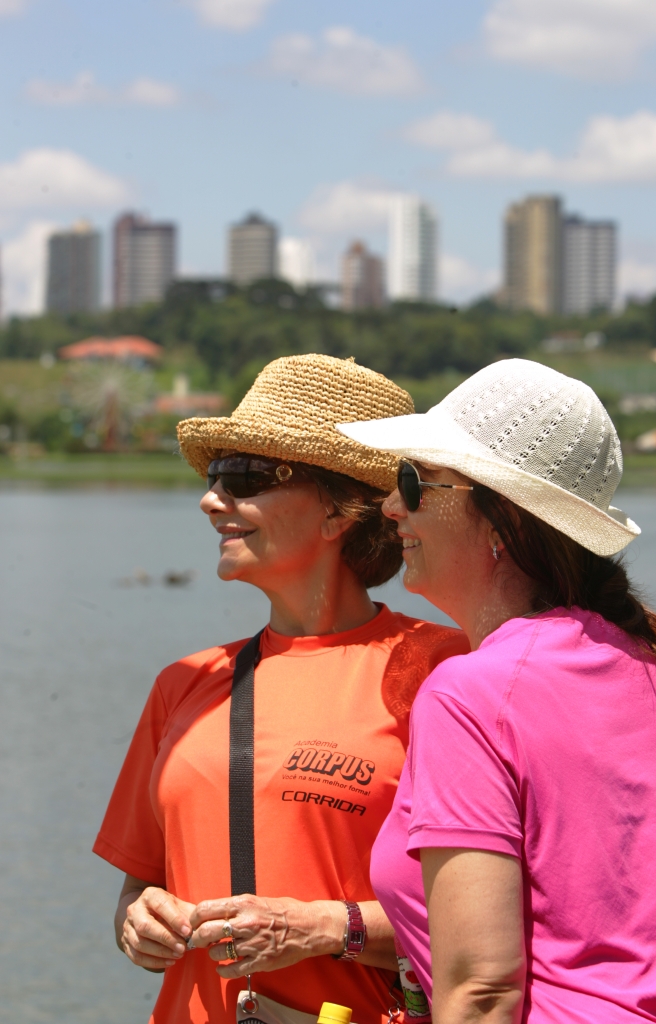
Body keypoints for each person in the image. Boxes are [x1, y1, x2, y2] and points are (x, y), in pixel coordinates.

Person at [93, 354, 469, 1024]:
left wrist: (327, 928)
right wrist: (138, 922)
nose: (212, 499)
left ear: (341, 513)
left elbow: (499, 927)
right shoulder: (184, 684)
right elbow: (138, 888)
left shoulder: (443, 671)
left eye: (246, 478)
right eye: (215, 476)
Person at [338, 358, 656, 1024]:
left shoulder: (471, 692)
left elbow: (484, 990)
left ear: (502, 522)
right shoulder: (633, 658)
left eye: (414, 481)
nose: (389, 505)